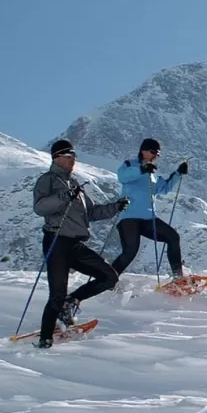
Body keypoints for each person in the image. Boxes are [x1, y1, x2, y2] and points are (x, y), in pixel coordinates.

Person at [31, 139, 129, 348]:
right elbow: (40, 207)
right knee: (56, 294)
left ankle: (71, 301)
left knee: (109, 276)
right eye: (68, 156)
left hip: (75, 244)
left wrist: (116, 207)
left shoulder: (75, 184)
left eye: (74, 156)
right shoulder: (47, 180)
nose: (73, 160)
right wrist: (64, 196)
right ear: (57, 158)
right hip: (56, 241)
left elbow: (91, 213)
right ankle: (45, 340)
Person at [111, 137, 191, 278]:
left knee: (173, 237)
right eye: (154, 152)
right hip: (129, 217)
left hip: (148, 218)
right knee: (130, 252)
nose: (156, 156)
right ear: (143, 151)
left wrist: (178, 173)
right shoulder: (130, 164)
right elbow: (122, 176)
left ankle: (179, 277)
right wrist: (142, 170)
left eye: (158, 154)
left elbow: (164, 188)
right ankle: (107, 279)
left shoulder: (152, 174)